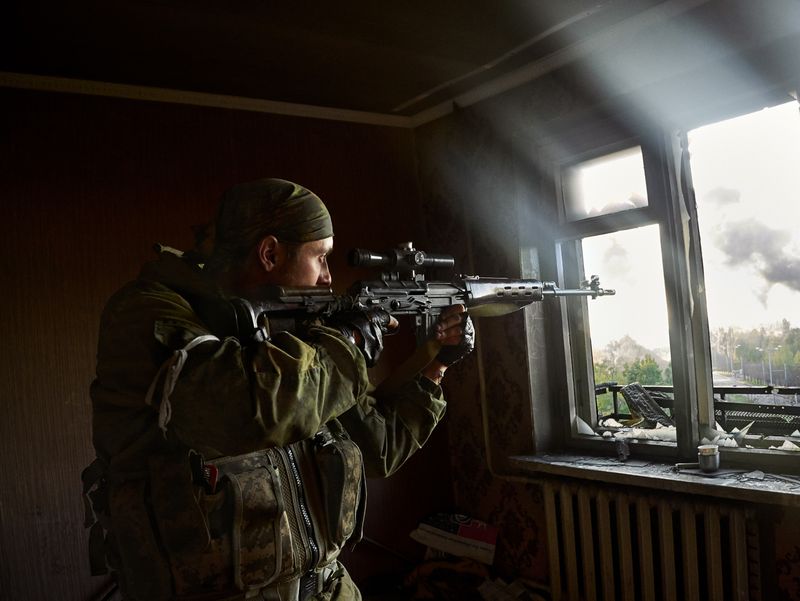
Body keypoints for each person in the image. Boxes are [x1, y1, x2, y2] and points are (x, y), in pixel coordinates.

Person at [82, 178, 474, 601]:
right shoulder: (147, 312)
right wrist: (351, 343)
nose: (328, 279)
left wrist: (435, 366)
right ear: (269, 253)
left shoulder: (294, 329)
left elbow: (377, 448)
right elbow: (252, 411)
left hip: (327, 587)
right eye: (320, 258)